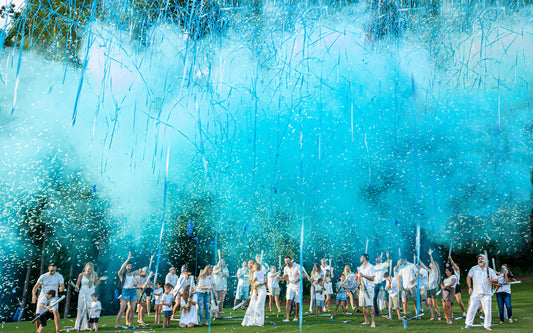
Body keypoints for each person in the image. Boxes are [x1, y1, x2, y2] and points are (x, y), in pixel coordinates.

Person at [464, 254, 498, 330]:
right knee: (471, 309)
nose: (480, 260)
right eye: (479, 259)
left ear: (486, 260)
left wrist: (492, 280)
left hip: (487, 294)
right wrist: (469, 287)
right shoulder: (474, 268)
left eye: (482, 259)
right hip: (475, 293)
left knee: (487, 311)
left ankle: (487, 325)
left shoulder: (490, 270)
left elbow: (496, 280)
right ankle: (468, 324)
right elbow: (468, 277)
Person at [32, 263, 65, 333]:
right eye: (51, 269)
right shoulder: (43, 276)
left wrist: (61, 288)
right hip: (43, 296)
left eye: (54, 268)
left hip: (53, 297)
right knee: (38, 314)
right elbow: (36, 286)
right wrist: (33, 295)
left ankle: (57, 330)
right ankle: (38, 330)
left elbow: (62, 286)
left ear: (56, 268)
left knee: (55, 310)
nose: (52, 270)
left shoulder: (59, 276)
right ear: (48, 268)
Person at [74, 262, 106, 331]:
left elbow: (96, 284)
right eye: (89, 269)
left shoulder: (94, 274)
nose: (90, 271)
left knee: (91, 308)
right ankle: (80, 325)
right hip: (82, 292)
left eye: (91, 269)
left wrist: (100, 280)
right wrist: (76, 288)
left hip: (91, 292)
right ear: (86, 268)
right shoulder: (81, 275)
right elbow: (77, 284)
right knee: (81, 308)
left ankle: (91, 325)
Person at [115, 252, 139, 328]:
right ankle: (117, 324)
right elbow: (121, 269)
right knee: (122, 309)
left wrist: (135, 283)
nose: (129, 267)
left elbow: (136, 282)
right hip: (125, 291)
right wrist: (128, 259)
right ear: (126, 266)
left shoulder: (132, 274)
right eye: (128, 266)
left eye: (130, 266)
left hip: (133, 291)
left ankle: (130, 324)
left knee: (132, 310)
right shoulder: (122, 275)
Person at [242, 262, 267, 326]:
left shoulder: (263, 272)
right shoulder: (255, 273)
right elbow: (253, 282)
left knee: (259, 305)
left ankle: (259, 321)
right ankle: (251, 320)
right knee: (252, 304)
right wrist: (254, 290)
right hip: (256, 289)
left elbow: (265, 280)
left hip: (262, 289)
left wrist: (261, 283)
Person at [419, 249, 441, 321]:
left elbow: (432, 262)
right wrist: (418, 259)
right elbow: (423, 266)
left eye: (431, 263)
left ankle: (439, 316)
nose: (430, 263)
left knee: (434, 304)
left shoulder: (435, 270)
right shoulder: (430, 270)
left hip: (433, 288)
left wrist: (430, 255)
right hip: (428, 288)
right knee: (428, 304)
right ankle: (432, 316)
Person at [281, 256, 302, 322]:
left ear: (291, 261)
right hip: (290, 286)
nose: (287, 262)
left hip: (298, 286)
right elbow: (285, 277)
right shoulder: (285, 268)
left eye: (288, 261)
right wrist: (281, 278)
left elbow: (303, 275)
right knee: (288, 301)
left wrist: (298, 279)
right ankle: (287, 318)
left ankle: (296, 317)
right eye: (285, 261)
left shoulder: (297, 266)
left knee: (297, 303)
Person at [357, 254, 376, 328]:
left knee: (370, 305)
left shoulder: (371, 267)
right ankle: (366, 320)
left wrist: (364, 275)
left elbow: (372, 278)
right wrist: (360, 284)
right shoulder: (360, 267)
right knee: (364, 306)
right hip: (362, 289)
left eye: (361, 257)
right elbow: (359, 277)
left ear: (364, 258)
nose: (360, 258)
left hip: (369, 288)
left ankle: (373, 322)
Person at [373, 251, 390, 316]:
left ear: (380, 258)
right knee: (374, 298)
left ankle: (389, 313)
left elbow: (388, 263)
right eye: (376, 258)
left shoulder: (383, 265)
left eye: (378, 258)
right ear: (375, 259)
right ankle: (376, 312)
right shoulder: (373, 267)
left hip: (382, 283)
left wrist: (387, 257)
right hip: (376, 283)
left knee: (385, 297)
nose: (377, 259)